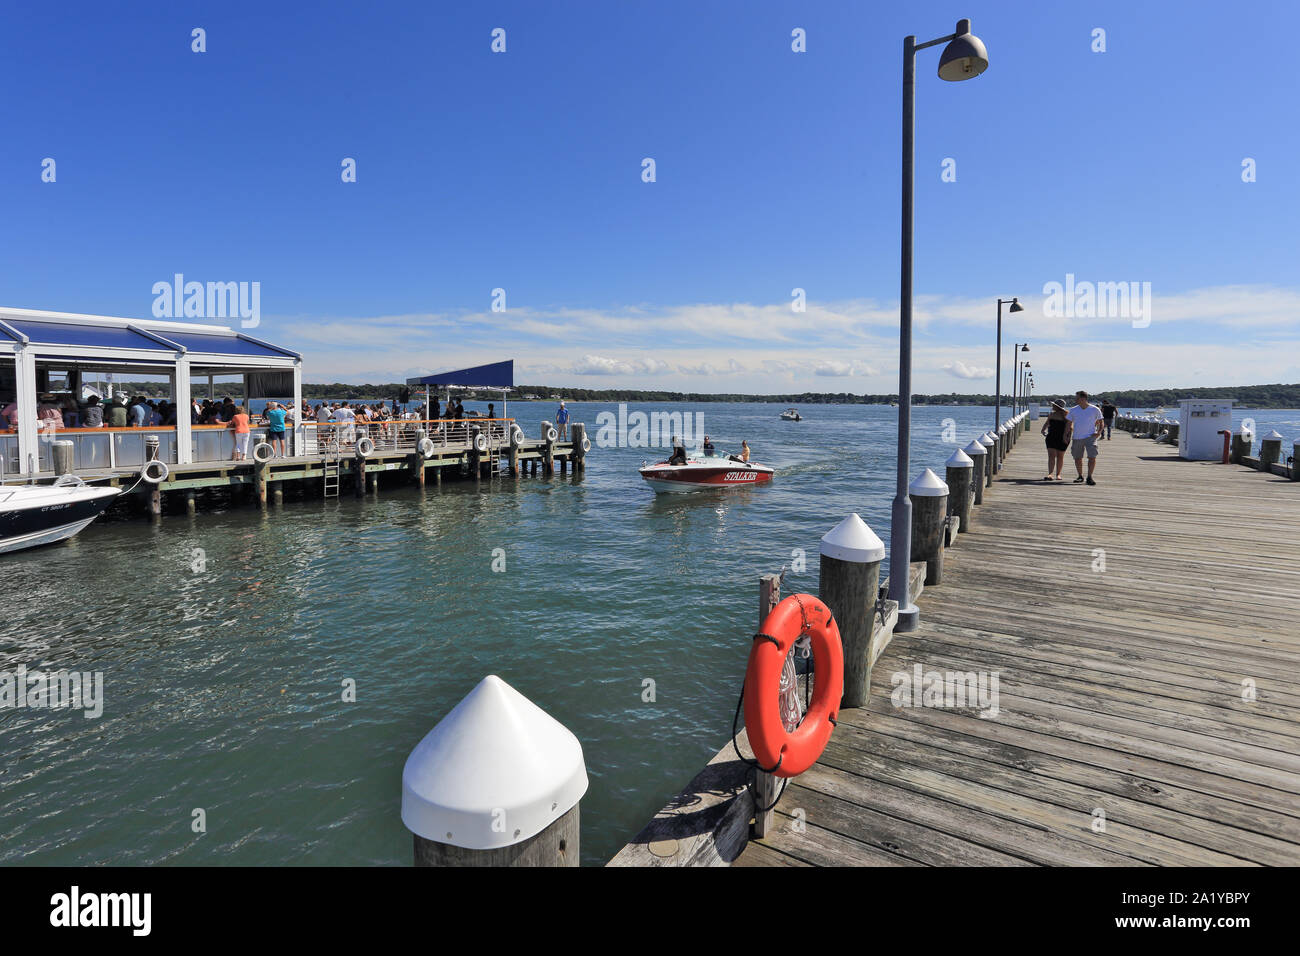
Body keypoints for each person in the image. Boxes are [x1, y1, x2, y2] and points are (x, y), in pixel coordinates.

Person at [1066, 390, 1104, 485]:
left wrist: (1099, 432)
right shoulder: (1073, 410)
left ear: (1083, 399)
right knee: (1077, 458)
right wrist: (1066, 435)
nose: (1075, 399)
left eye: (1077, 398)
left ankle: (1090, 477)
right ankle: (1080, 476)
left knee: (1092, 457)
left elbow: (1101, 421)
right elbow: (1068, 424)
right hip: (1077, 437)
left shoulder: (1095, 409)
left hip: (1090, 436)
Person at [1040, 400, 1070, 481]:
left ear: (1057, 406)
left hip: (1062, 437)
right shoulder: (1052, 414)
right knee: (1051, 455)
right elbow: (1047, 423)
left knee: (1060, 456)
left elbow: (1069, 427)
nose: (1052, 406)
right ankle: (1050, 474)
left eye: (1053, 405)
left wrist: (1065, 436)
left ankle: (1058, 474)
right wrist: (1043, 430)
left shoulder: (1067, 415)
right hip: (1051, 437)